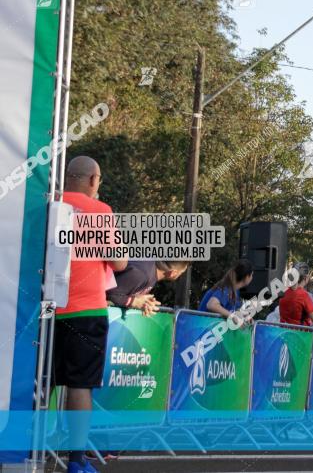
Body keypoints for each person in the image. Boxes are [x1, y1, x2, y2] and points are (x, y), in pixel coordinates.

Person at [54, 156, 128, 473]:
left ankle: (22, 449)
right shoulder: (100, 211)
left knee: (40, 383)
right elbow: (119, 262)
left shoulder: (49, 205)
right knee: (79, 385)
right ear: (93, 180)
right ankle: (75, 460)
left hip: (47, 308)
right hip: (86, 308)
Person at [106, 260, 189, 315]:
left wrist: (144, 302)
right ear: (173, 273)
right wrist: (134, 301)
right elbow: (109, 292)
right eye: (181, 273)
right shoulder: (142, 274)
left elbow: (123, 290)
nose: (180, 276)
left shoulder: (152, 270)